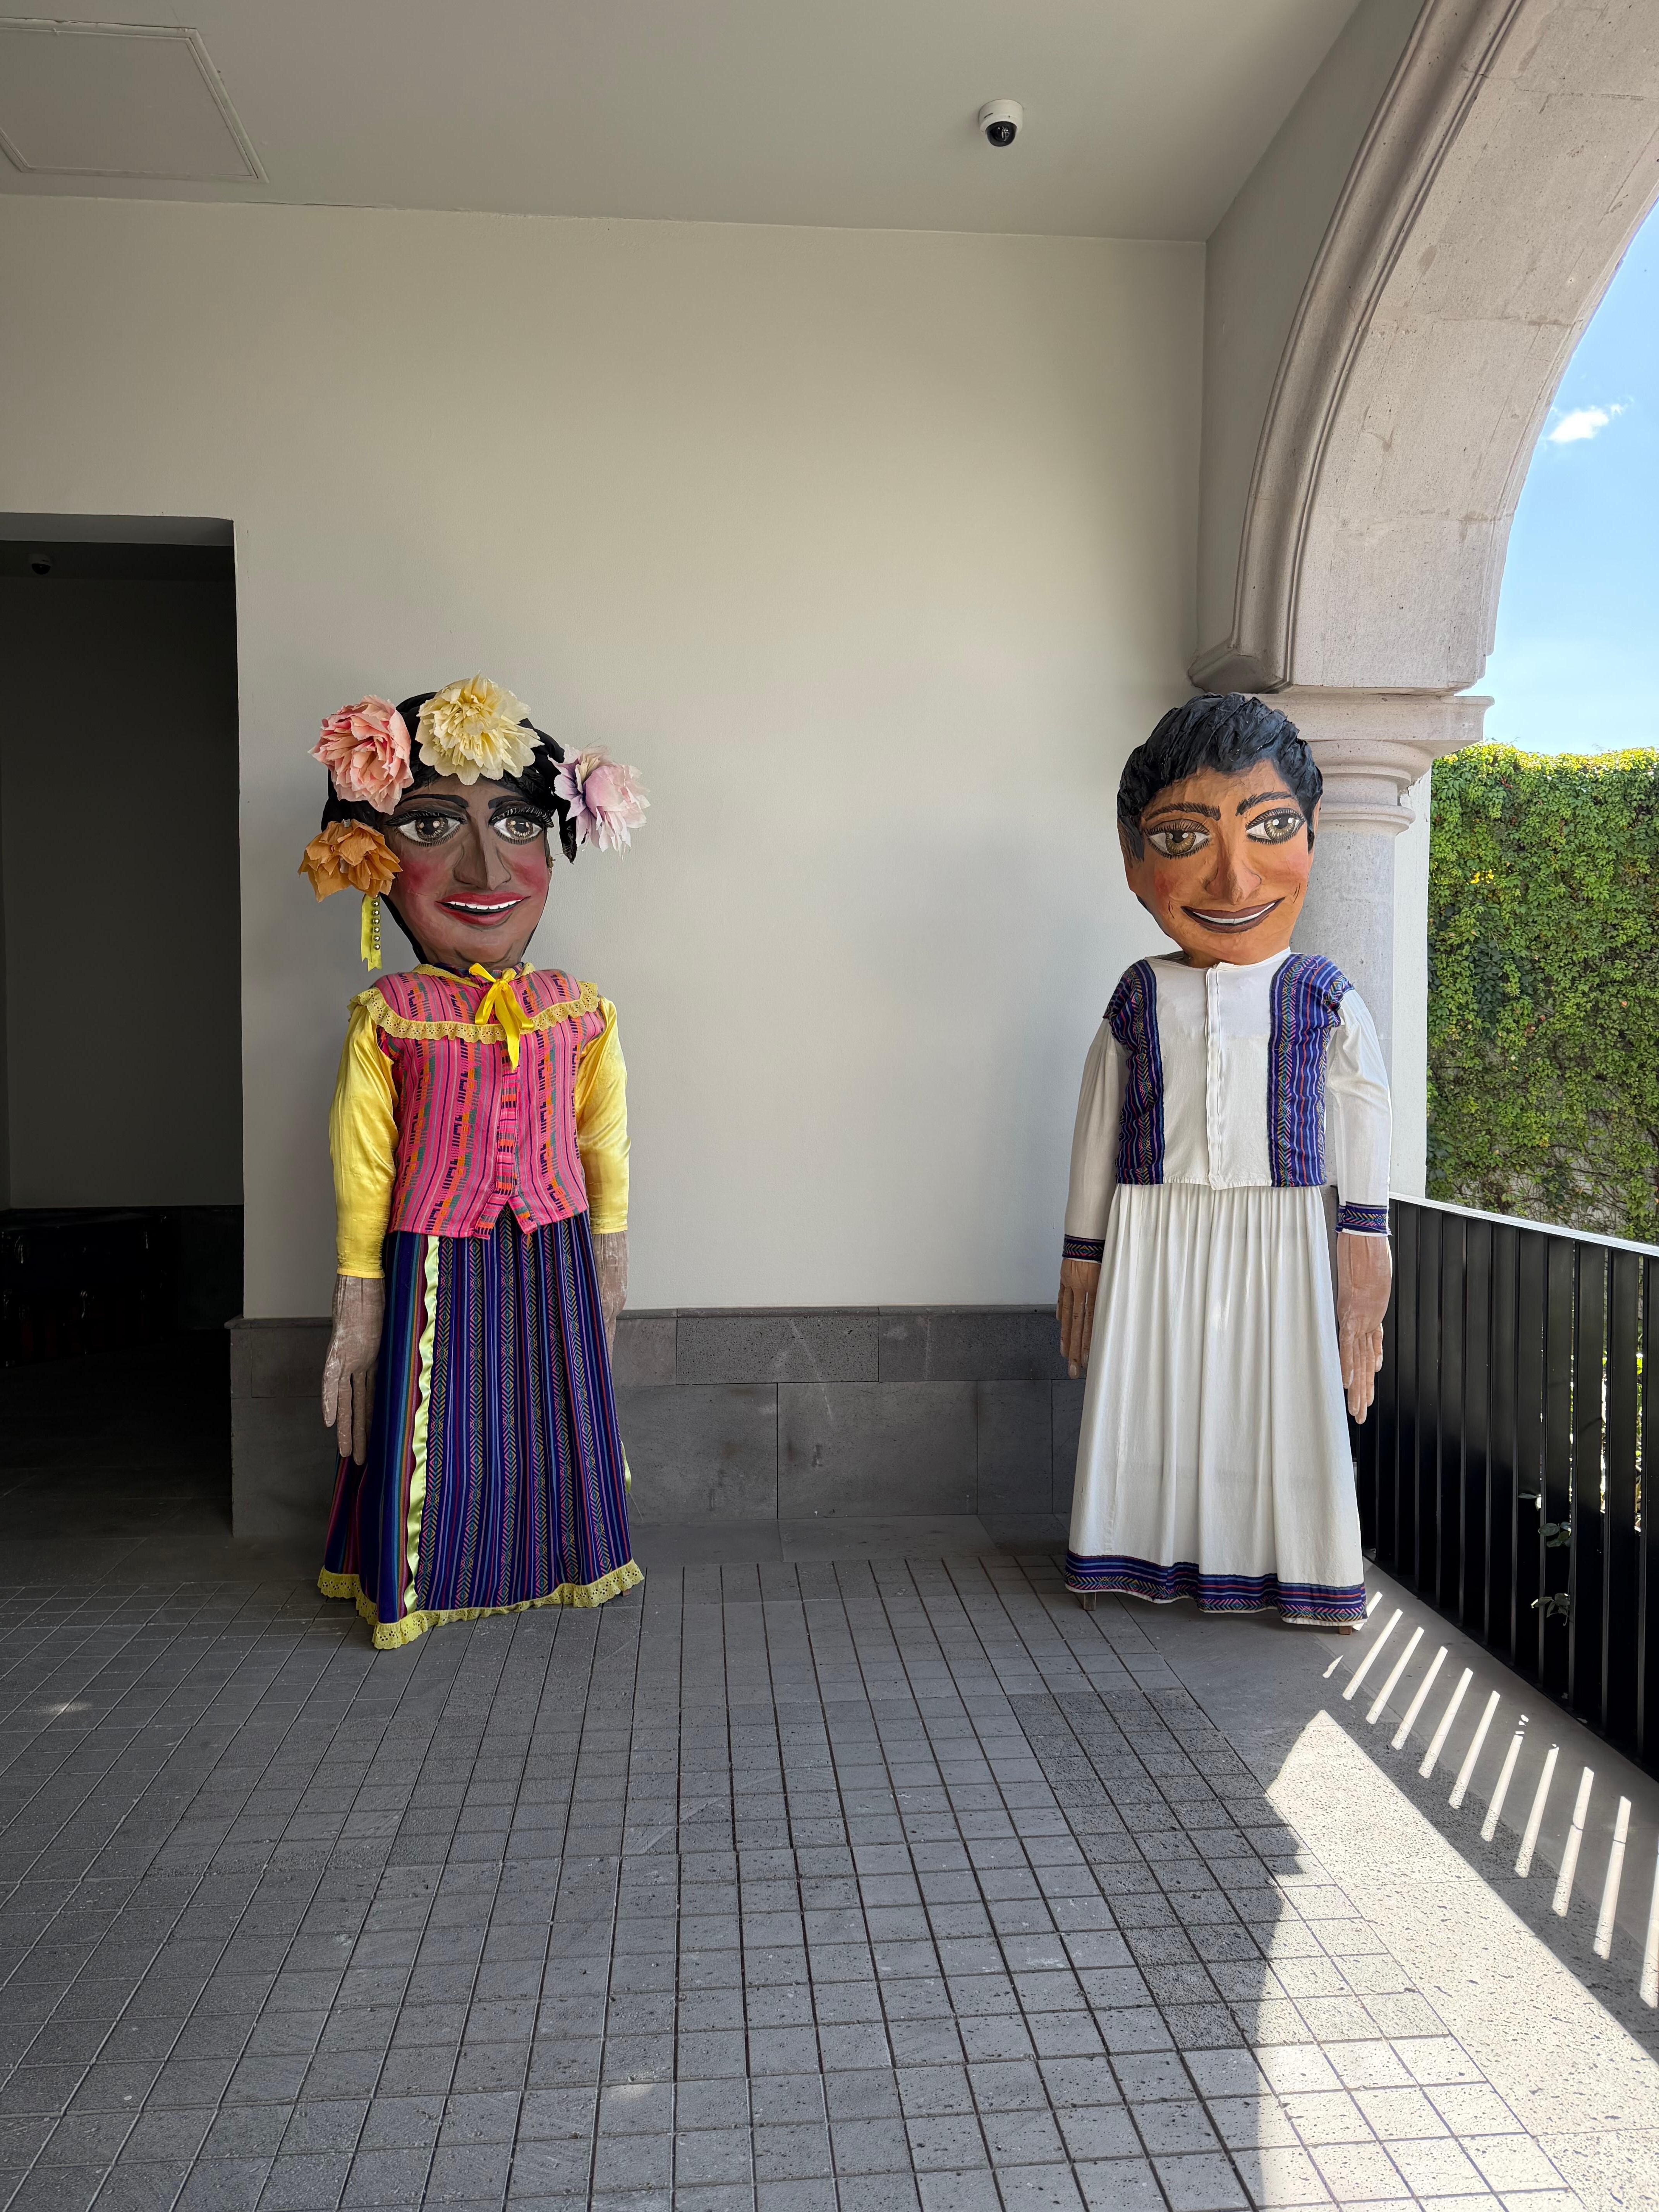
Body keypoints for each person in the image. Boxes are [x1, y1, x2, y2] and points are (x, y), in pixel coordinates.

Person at [299, 677, 648, 1649]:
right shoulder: (391, 1015)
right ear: (375, 855)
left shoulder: (578, 1009)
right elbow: (363, 1161)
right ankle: (433, 1576)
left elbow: (604, 1138)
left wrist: (611, 1251)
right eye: (429, 826)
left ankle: (557, 1563)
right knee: (436, 1425)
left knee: (550, 1417)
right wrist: (359, 1291)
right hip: (432, 1257)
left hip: (553, 1245)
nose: (486, 864)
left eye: (520, 824)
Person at [1056, 692, 1390, 1628]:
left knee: (1279, 1401)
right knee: (1153, 1393)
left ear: (1313, 835)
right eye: (1181, 839)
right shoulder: (1138, 994)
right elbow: (1098, 1123)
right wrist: (1083, 1249)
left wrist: (1364, 1239)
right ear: (1134, 862)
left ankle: (1291, 1570)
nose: (1235, 880)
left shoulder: (1322, 993)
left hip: (1284, 1231)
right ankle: (1141, 1553)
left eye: (1272, 827)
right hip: (1152, 1226)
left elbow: (1364, 1113)